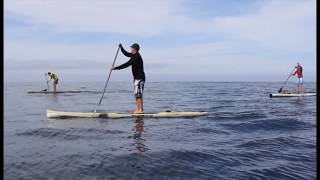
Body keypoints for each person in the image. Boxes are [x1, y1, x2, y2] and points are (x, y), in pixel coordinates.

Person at [113, 43, 146, 114]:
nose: (130, 49)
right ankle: (138, 109)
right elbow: (126, 54)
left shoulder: (136, 56)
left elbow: (127, 64)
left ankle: (140, 110)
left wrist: (116, 68)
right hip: (137, 78)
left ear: (134, 49)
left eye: (131, 48)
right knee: (136, 94)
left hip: (140, 78)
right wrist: (121, 48)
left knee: (139, 94)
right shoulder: (133, 55)